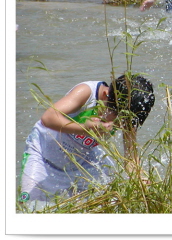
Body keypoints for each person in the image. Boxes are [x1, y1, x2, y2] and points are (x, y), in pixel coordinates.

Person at [18, 74, 155, 206]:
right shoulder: (86, 92)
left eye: (124, 120)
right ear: (105, 95)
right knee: (29, 207)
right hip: (42, 155)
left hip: (83, 161)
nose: (118, 124)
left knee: (107, 201)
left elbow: (130, 156)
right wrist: (84, 128)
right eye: (116, 116)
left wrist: (139, 178)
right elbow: (48, 118)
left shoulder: (129, 113)